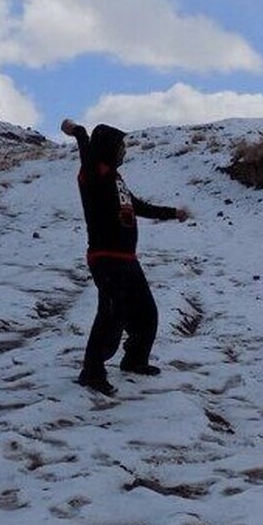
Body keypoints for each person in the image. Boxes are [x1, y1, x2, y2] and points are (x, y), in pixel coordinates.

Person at [62, 118, 190, 396]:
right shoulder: (93, 174)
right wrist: (78, 132)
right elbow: (86, 146)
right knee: (110, 315)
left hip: (126, 259)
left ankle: (134, 360)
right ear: (107, 148)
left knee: (146, 313)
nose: (124, 151)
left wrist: (172, 213)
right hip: (105, 258)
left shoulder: (115, 179)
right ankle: (92, 372)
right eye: (121, 146)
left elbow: (137, 206)